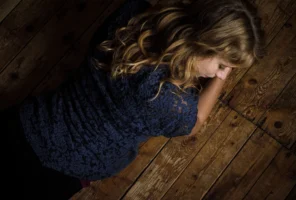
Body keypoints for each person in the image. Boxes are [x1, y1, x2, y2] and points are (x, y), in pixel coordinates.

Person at [6, 0, 264, 198]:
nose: (219, 71)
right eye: (222, 64)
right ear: (203, 45)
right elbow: (197, 120)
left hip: (30, 121)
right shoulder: (169, 102)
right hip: (64, 170)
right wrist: (222, 78)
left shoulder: (131, 14)